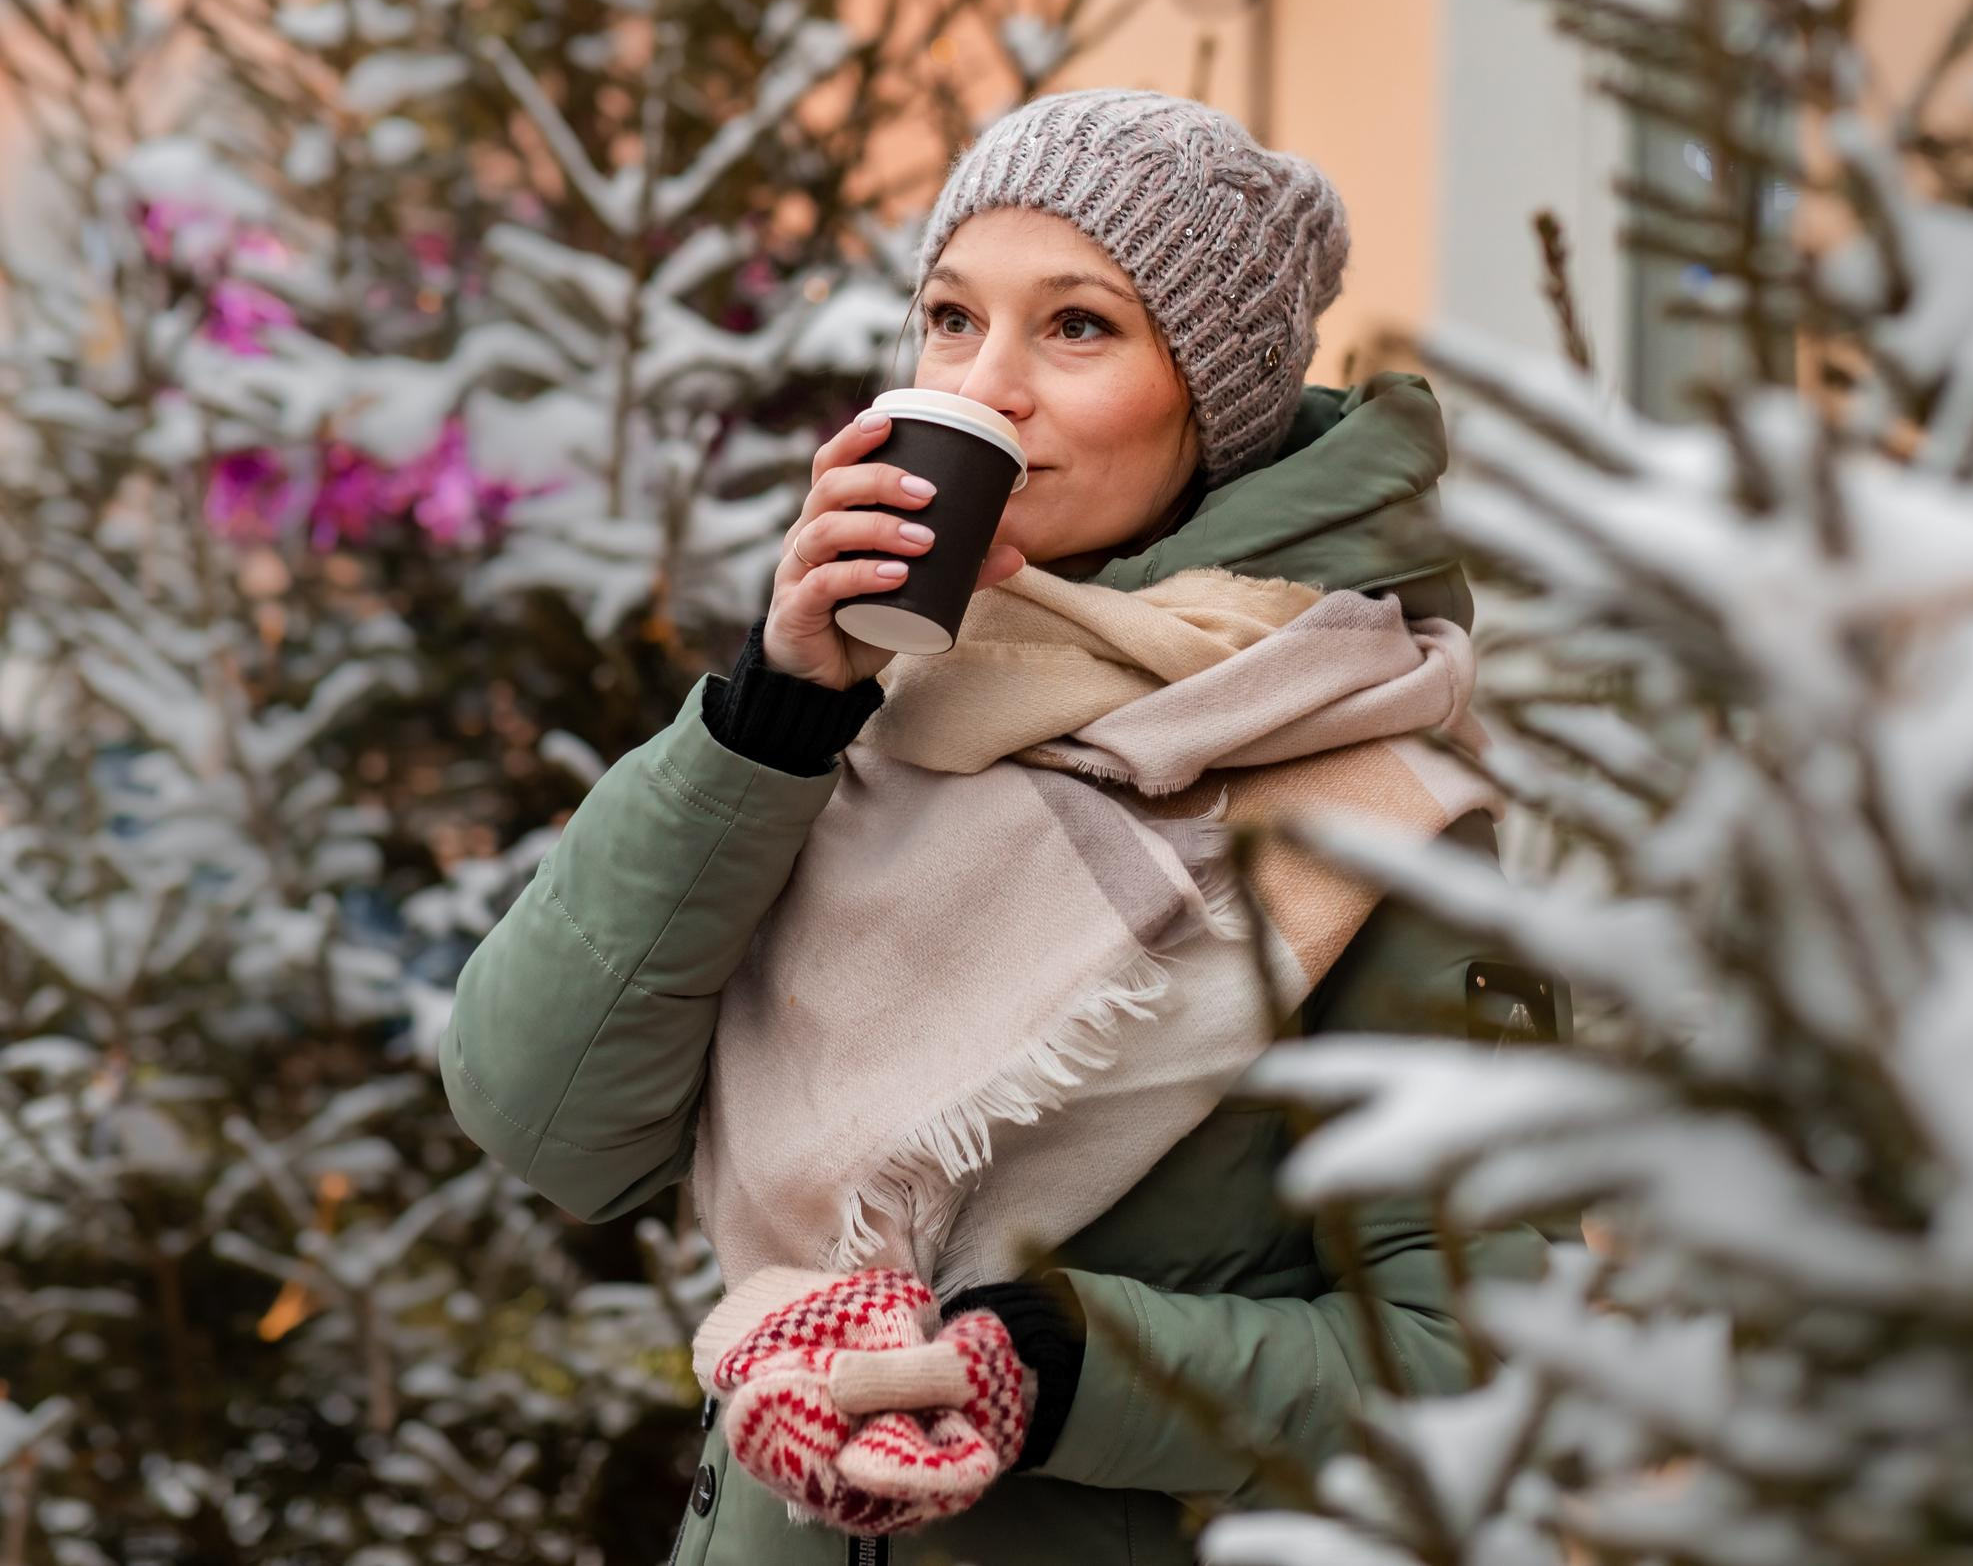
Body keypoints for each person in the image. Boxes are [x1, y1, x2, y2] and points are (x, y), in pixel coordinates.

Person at [440, 88, 1561, 1566]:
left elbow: (1484, 1369)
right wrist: (769, 716)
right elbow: (549, 1121)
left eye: (1079, 328)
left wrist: (1072, 1369)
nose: (990, 386)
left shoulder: (1378, 805)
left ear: (1211, 400)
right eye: (951, 320)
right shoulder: (872, 711)